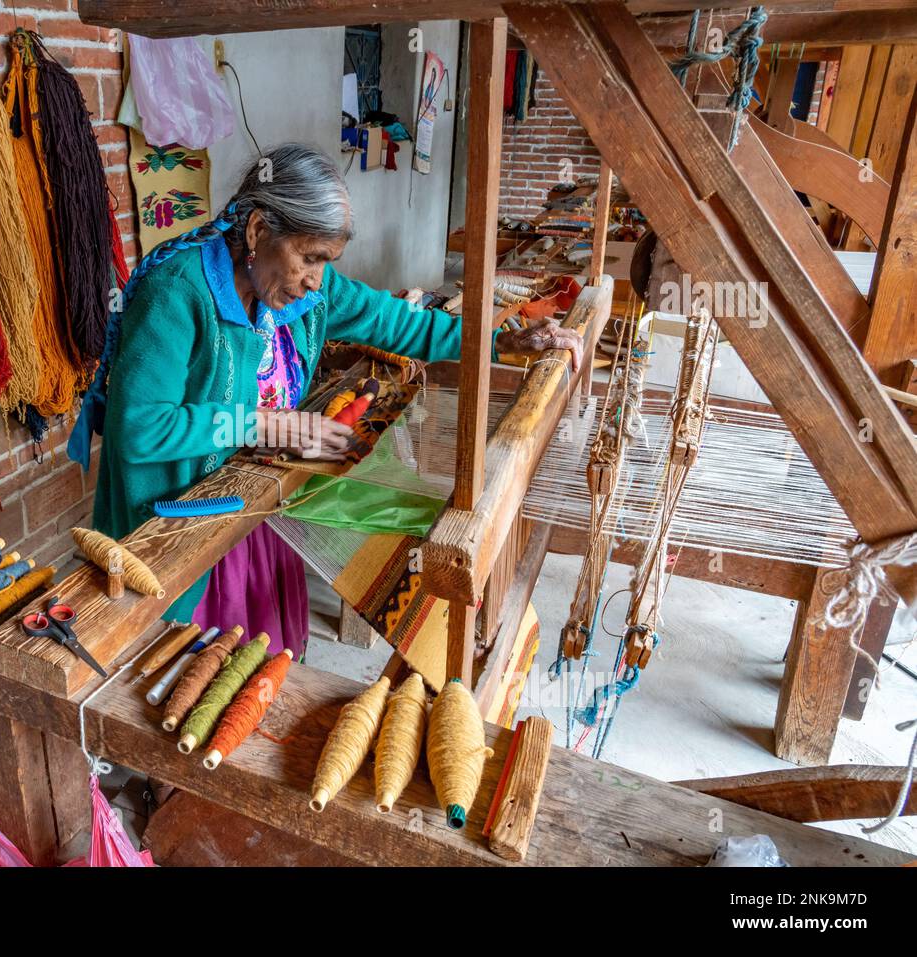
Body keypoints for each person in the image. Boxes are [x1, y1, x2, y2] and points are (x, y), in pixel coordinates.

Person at [70, 143, 582, 659]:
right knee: (188, 672)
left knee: (259, 665)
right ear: (257, 232)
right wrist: (268, 427)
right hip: (178, 528)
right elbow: (139, 429)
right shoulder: (177, 293)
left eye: (326, 261)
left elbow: (402, 323)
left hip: (258, 507)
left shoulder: (309, 292)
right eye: (309, 258)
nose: (316, 280)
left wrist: (500, 342)